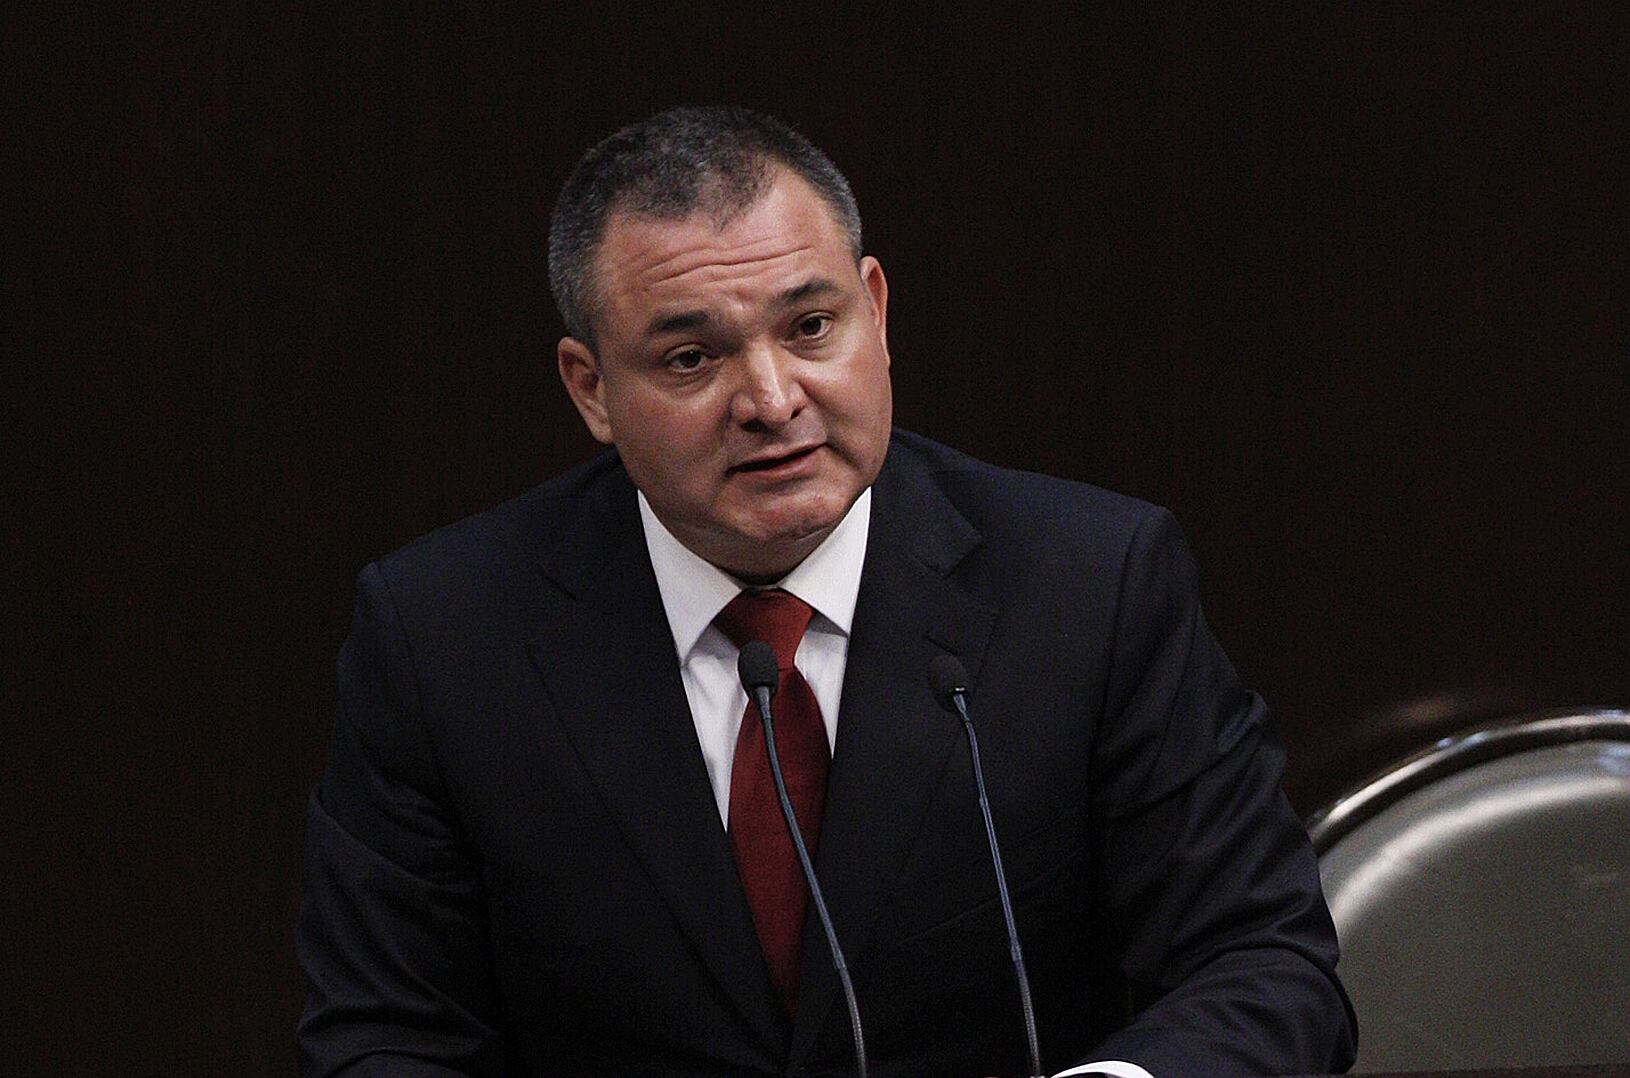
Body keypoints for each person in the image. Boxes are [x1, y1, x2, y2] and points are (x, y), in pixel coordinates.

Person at [297, 105, 1356, 1078]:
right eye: (689, 356)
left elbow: (1262, 962)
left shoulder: (1092, 582)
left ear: (876, 312)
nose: (769, 399)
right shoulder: (444, 635)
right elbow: (386, 1035)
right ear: (591, 388)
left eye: (809, 328)